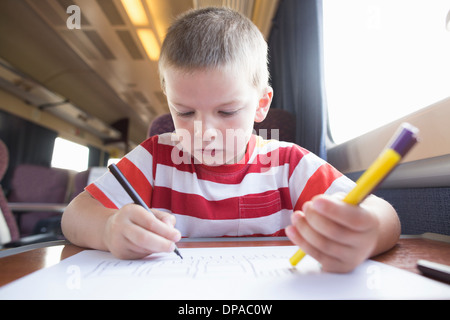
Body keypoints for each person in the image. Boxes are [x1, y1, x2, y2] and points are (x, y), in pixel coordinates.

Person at [61, 7, 400, 273]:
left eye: (226, 112)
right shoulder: (154, 159)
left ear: (261, 104)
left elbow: (381, 213)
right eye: (185, 112)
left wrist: (366, 231)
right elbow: (74, 216)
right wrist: (108, 229)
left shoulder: (288, 164)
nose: (204, 132)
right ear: (168, 101)